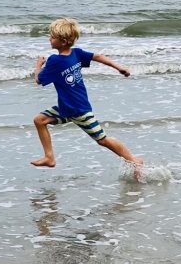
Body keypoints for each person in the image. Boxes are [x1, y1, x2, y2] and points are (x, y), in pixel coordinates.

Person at [29, 18, 143, 172]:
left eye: (52, 36)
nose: (50, 38)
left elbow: (38, 80)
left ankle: (134, 160)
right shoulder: (76, 53)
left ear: (62, 41)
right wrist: (119, 67)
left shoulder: (54, 61)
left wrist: (38, 66)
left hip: (78, 110)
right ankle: (49, 157)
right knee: (39, 120)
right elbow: (97, 56)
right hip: (67, 108)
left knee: (102, 140)